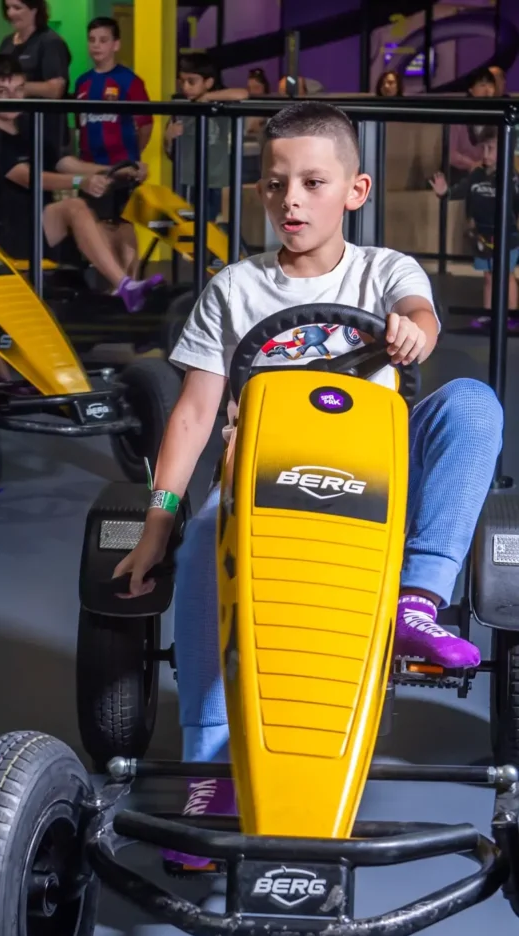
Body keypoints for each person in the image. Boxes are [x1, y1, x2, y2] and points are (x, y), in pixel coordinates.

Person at [114, 101, 503, 865]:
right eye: (274, 183)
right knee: (198, 545)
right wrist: (158, 518)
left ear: (354, 191)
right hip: (264, 483)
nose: (290, 199)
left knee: (472, 405)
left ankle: (416, 601)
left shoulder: (382, 271)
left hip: (374, 479)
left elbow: (419, 310)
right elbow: (194, 415)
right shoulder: (234, 289)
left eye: (312, 182)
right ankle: (211, 758)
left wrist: (417, 329)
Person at [0, 54, 162, 312]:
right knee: (74, 207)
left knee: (114, 227)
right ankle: (125, 289)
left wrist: (116, 170)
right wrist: (79, 182)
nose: (12, 98)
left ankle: (119, 295)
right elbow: (29, 177)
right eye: (2, 92)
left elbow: (63, 161)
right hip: (5, 230)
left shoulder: (28, 125)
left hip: (37, 222)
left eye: (17, 90)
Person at [74, 16, 152, 274]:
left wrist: (133, 158)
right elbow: (79, 126)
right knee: (96, 224)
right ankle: (115, 282)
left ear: (116, 44)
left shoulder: (129, 81)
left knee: (121, 223)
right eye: (92, 40)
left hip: (120, 168)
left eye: (104, 40)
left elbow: (146, 124)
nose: (97, 45)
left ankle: (132, 279)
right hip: (90, 168)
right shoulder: (81, 83)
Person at [430, 126, 519, 330]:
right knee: (489, 276)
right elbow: (458, 192)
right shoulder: (476, 175)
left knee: (506, 275)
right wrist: (444, 192)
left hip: (507, 236)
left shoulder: (511, 178)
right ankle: (488, 314)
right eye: (483, 148)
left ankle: (511, 315)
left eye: (491, 149)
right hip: (483, 237)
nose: (485, 154)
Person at [164, 54, 248, 223]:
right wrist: (168, 137)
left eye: (191, 81)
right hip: (188, 181)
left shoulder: (219, 103)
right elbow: (169, 151)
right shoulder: (180, 107)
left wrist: (207, 98)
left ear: (208, 83)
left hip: (215, 181)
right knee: (187, 228)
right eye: (182, 81)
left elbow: (243, 93)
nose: (185, 87)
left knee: (209, 226)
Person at [0, 0, 71, 151]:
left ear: (34, 10)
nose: (10, 13)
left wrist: (17, 89)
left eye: (17, 8)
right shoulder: (6, 43)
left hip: (45, 135)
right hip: (13, 132)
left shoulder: (50, 42)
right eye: (8, 8)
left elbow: (55, 89)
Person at [449, 68, 496, 181]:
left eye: (490, 85)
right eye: (482, 85)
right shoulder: (458, 115)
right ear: (471, 89)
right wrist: (472, 164)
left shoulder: (498, 116)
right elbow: (450, 154)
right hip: (460, 173)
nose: (487, 90)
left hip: (489, 172)